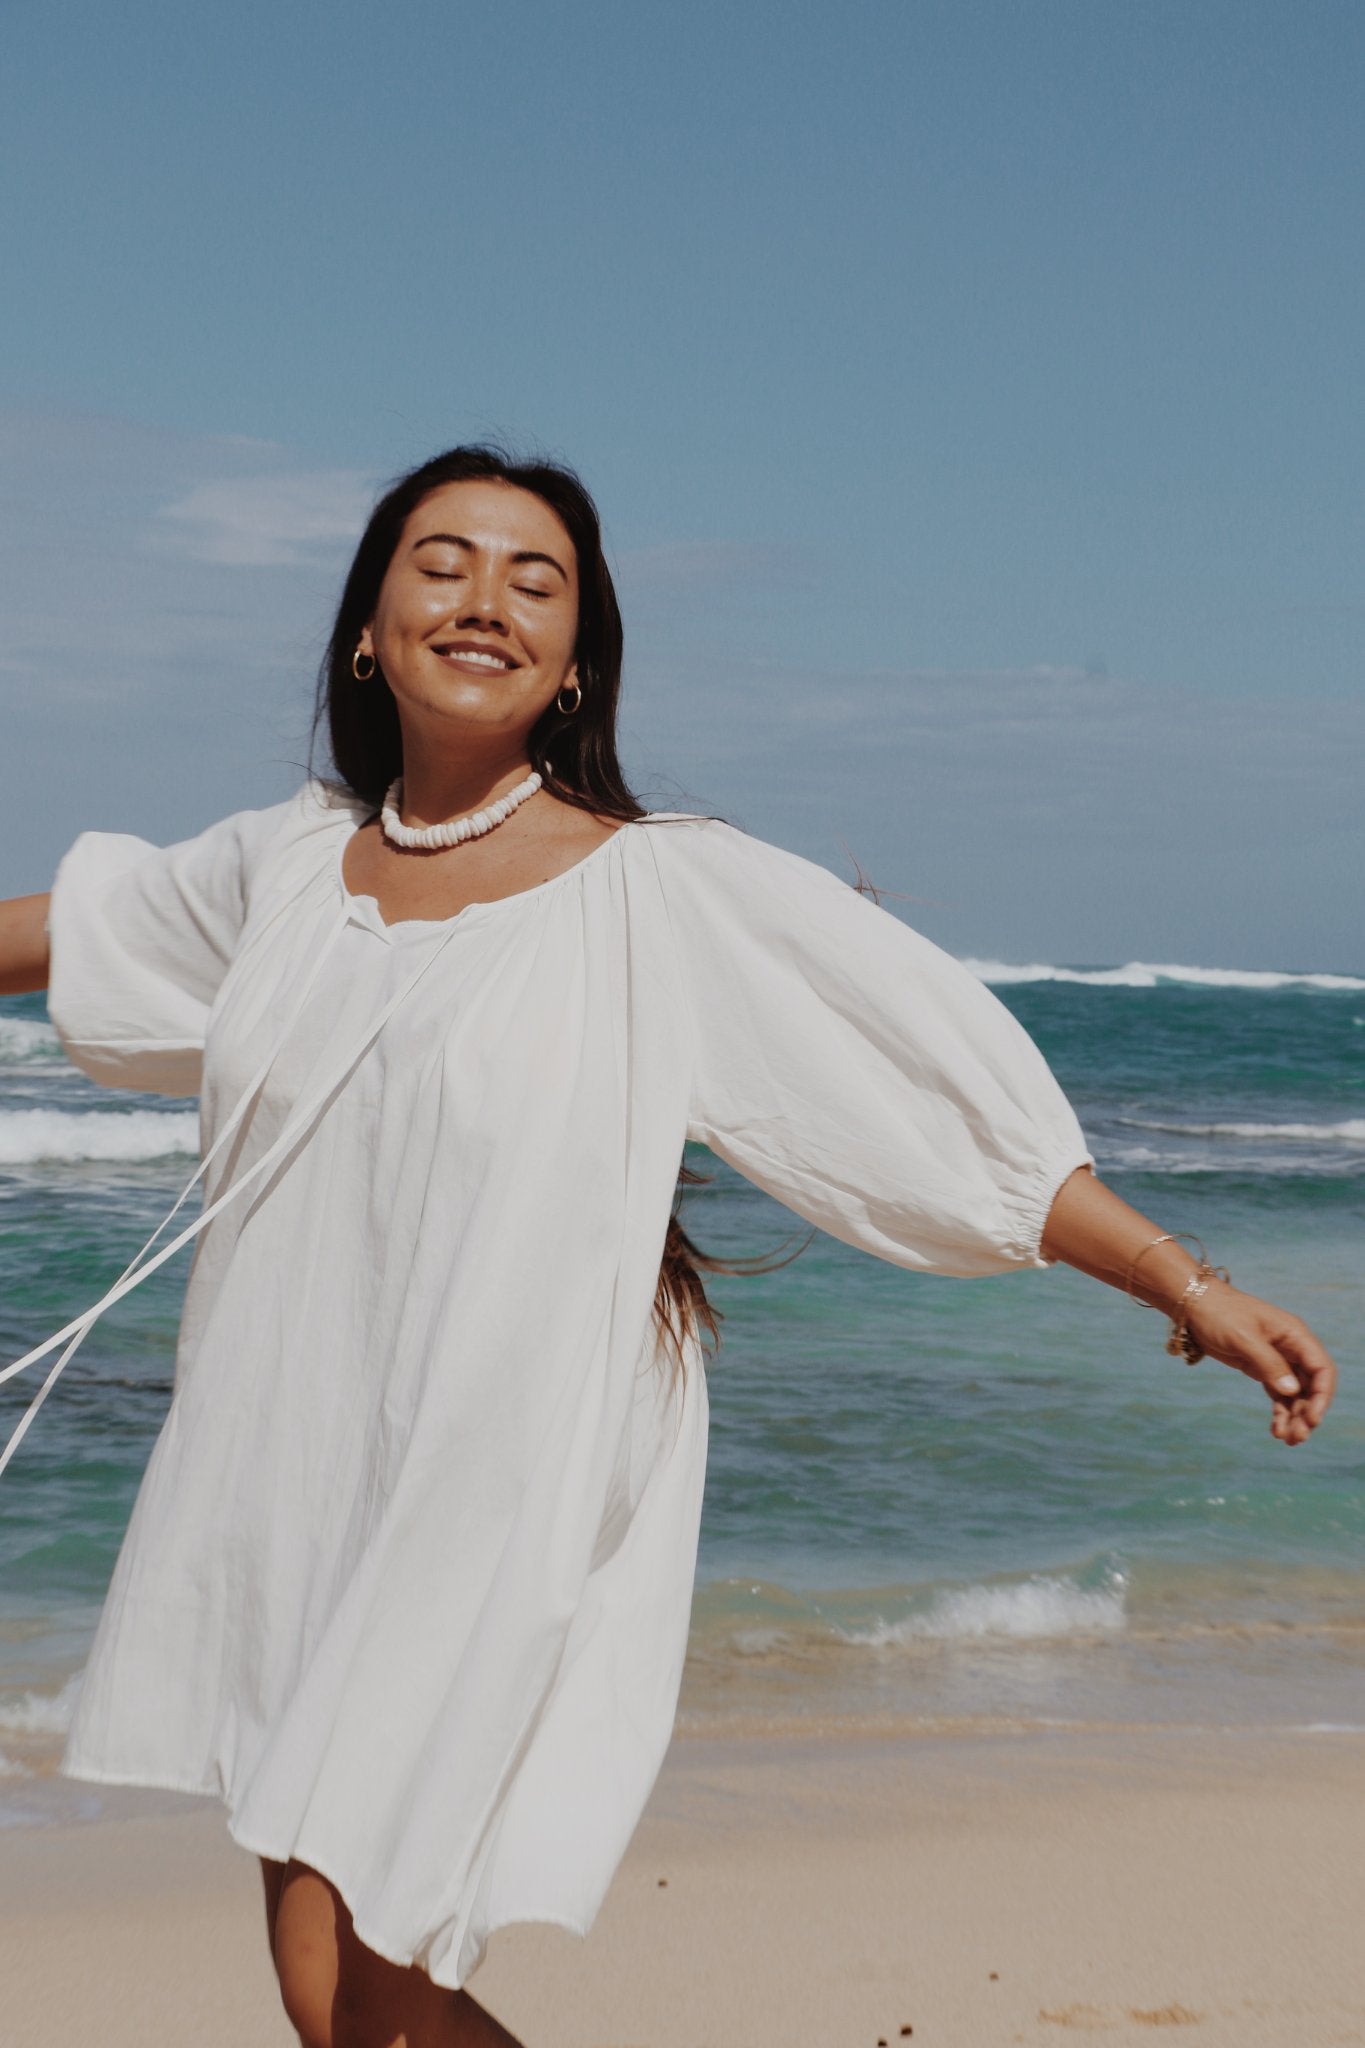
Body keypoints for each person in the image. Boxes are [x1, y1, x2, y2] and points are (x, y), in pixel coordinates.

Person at [0, 444, 1337, 2048]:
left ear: (576, 659)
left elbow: (911, 1094)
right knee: (333, 1984)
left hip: (490, 1483)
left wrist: (1185, 1284)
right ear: (367, 626)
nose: (485, 599)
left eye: (535, 580)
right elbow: (84, 931)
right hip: (292, 1469)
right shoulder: (285, 868)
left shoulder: (658, 887)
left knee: (362, 1970)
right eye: (443, 562)